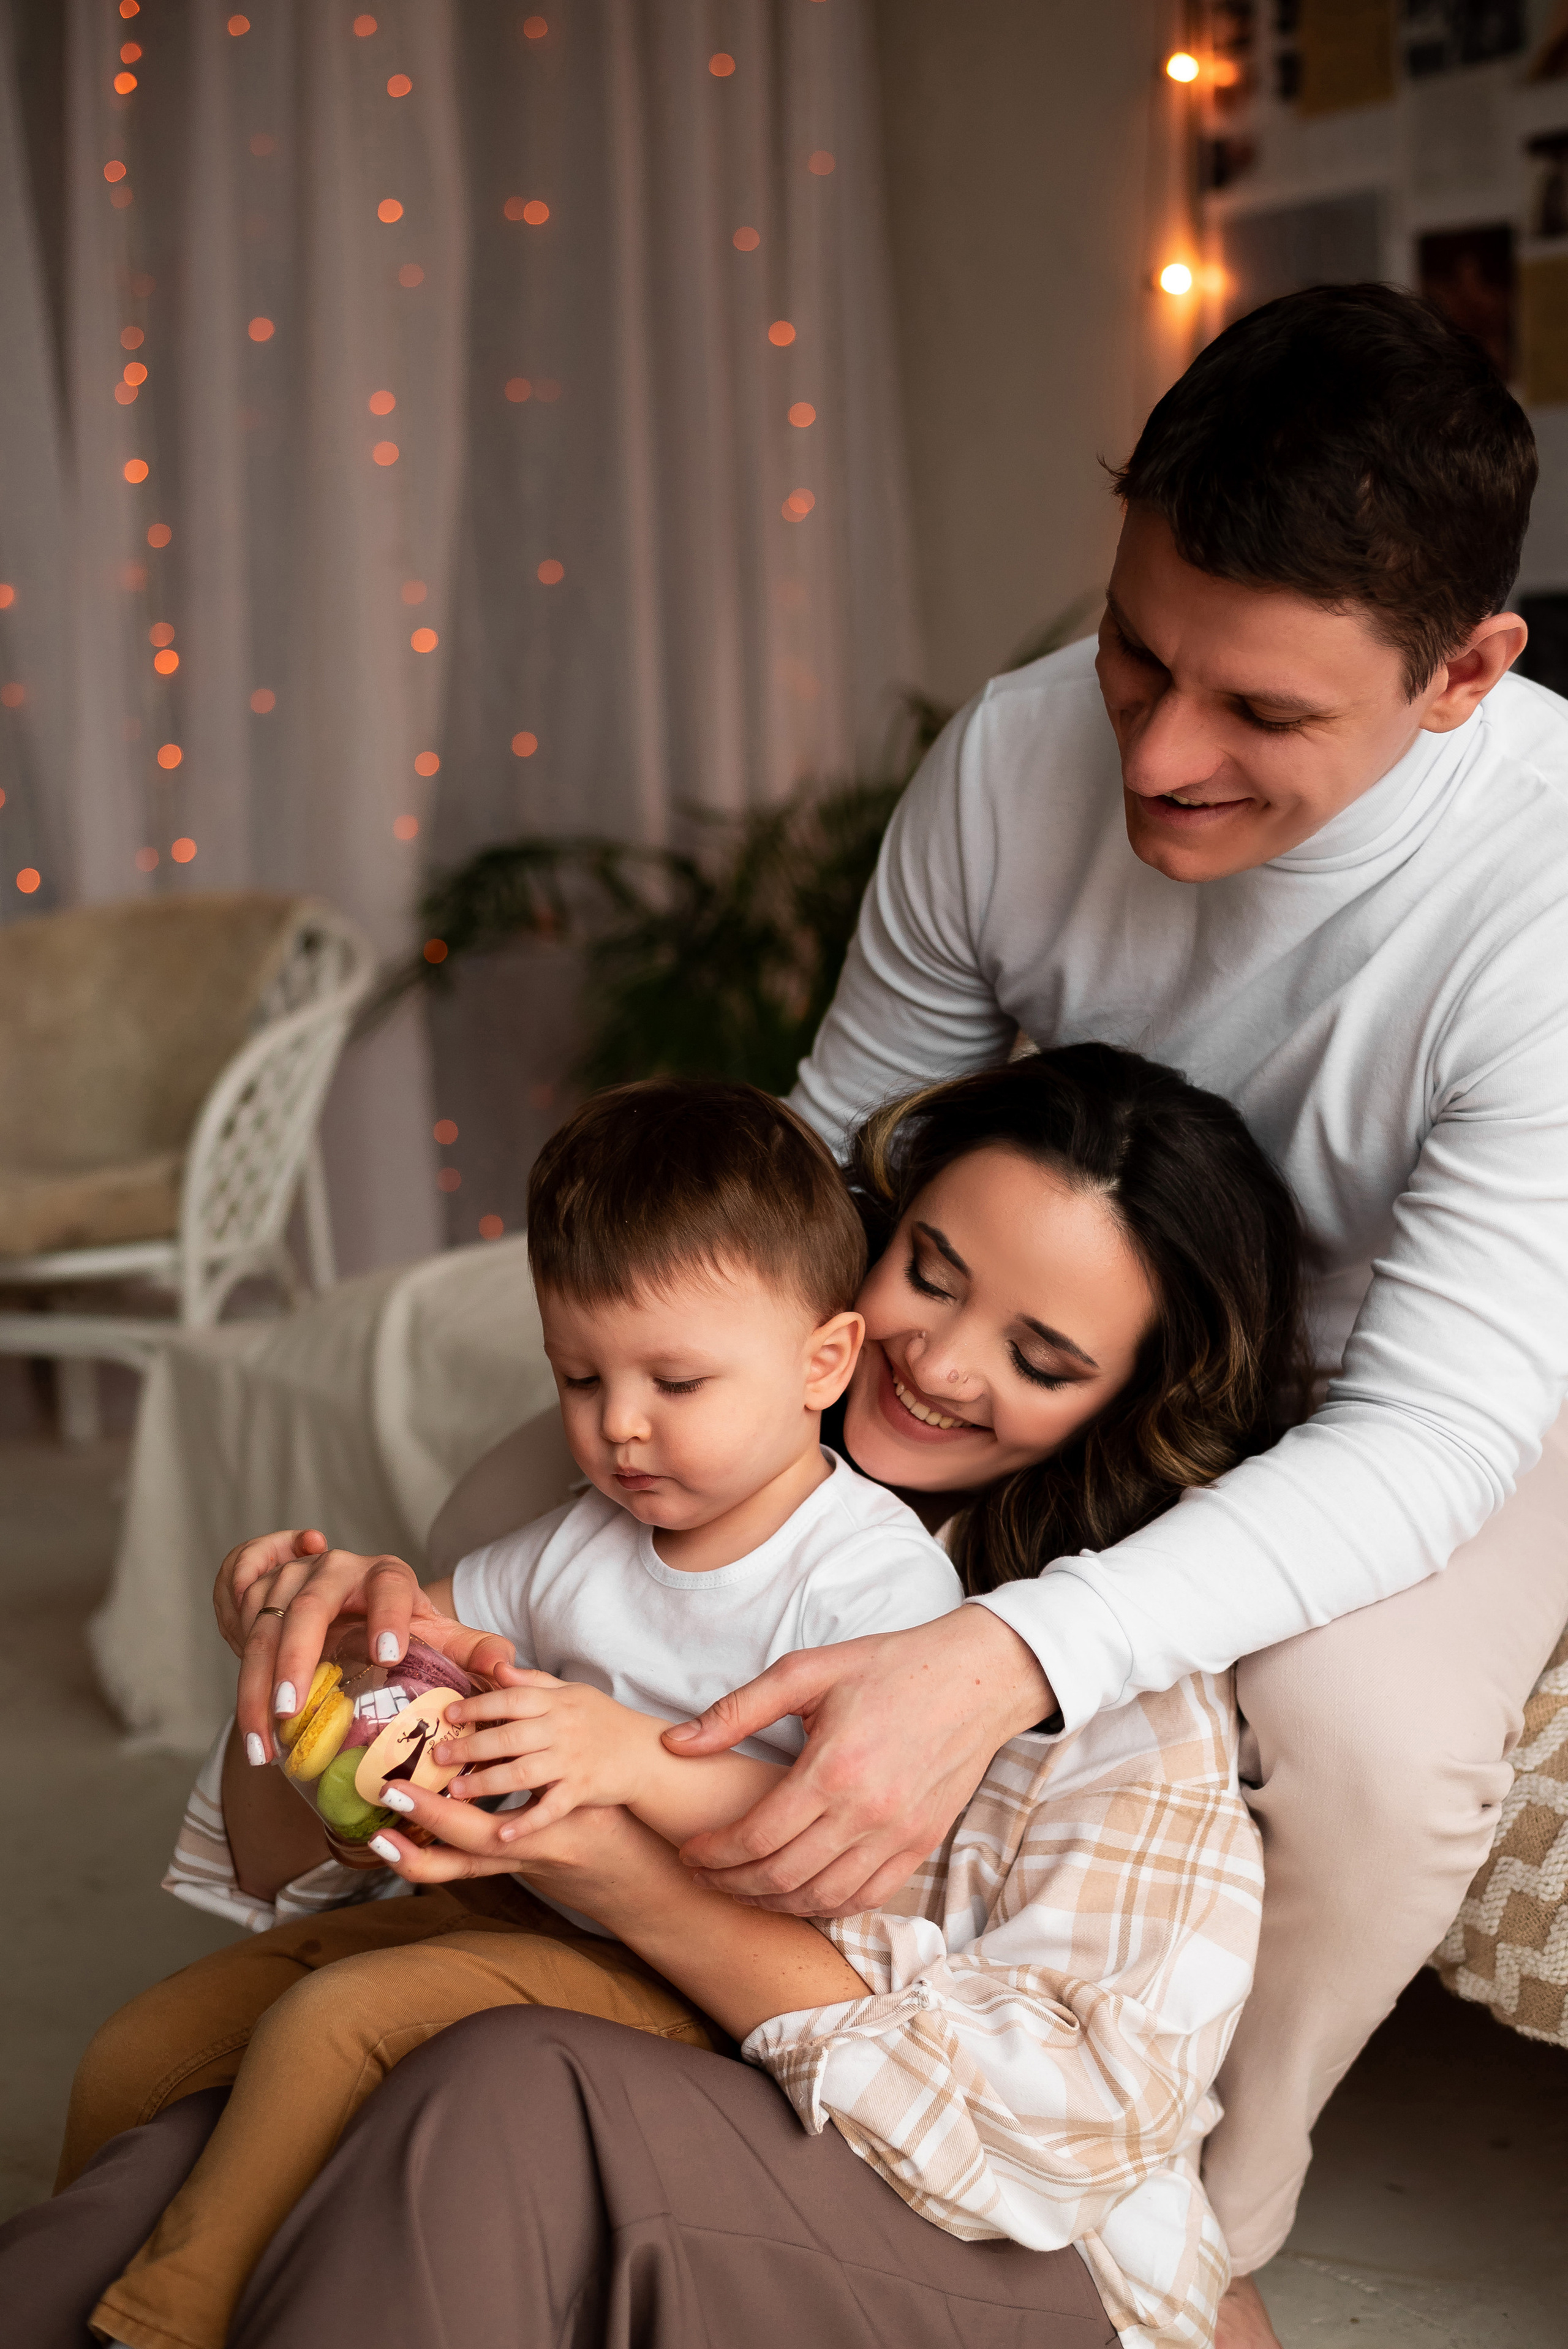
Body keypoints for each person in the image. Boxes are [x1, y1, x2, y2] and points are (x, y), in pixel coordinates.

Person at [655, 283, 1568, 2348]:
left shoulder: (1551, 891)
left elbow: (1429, 1438)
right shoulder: (1014, 754)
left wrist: (996, 1655)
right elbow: (834, 1154)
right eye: (1138, 653)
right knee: (599, 1454)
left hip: (1462, 1369)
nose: (1157, 752)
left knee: (1368, 1743)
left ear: (1465, 673)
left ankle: (1190, 2217)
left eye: (1256, 712)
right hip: (1111, 1312)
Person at [8, 1044, 1306, 2349]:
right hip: (518, 1946)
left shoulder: (1072, 1649)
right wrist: (331, 1637)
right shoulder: (621, 1502)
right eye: (928, 1273)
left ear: (1125, 1398)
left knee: (394, 2061)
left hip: (823, 2121)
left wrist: (621, 1800)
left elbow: (1043, 2106)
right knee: (155, 2106)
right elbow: (366, 1767)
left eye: (1037, 1355)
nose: (938, 1366)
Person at [66, 1079, 965, 2349]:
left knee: (337, 2028)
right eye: (578, 1376)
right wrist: (292, 1621)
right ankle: (87, 2264)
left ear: (823, 1362)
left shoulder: (869, 1578)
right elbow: (404, 1639)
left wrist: (631, 1764)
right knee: (140, 2051)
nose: (618, 1427)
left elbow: (858, 1835)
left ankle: (162, 2321)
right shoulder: (575, 1542)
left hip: (686, 1967)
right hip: (505, 1901)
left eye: (678, 1381)